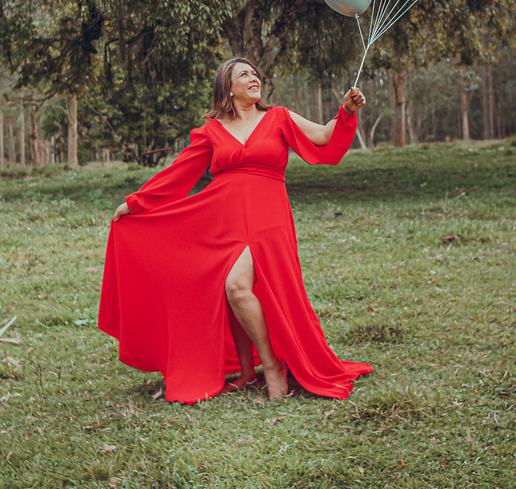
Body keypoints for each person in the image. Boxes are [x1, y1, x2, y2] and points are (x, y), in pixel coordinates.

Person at [98, 57, 371, 404]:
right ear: (227, 87)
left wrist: (346, 112)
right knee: (227, 293)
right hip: (222, 221)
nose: (254, 78)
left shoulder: (279, 117)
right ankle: (246, 373)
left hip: (267, 217)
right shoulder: (212, 130)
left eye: (255, 74)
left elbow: (322, 136)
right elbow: (178, 173)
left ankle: (273, 368)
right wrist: (137, 203)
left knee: (237, 286)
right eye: (244, 74)